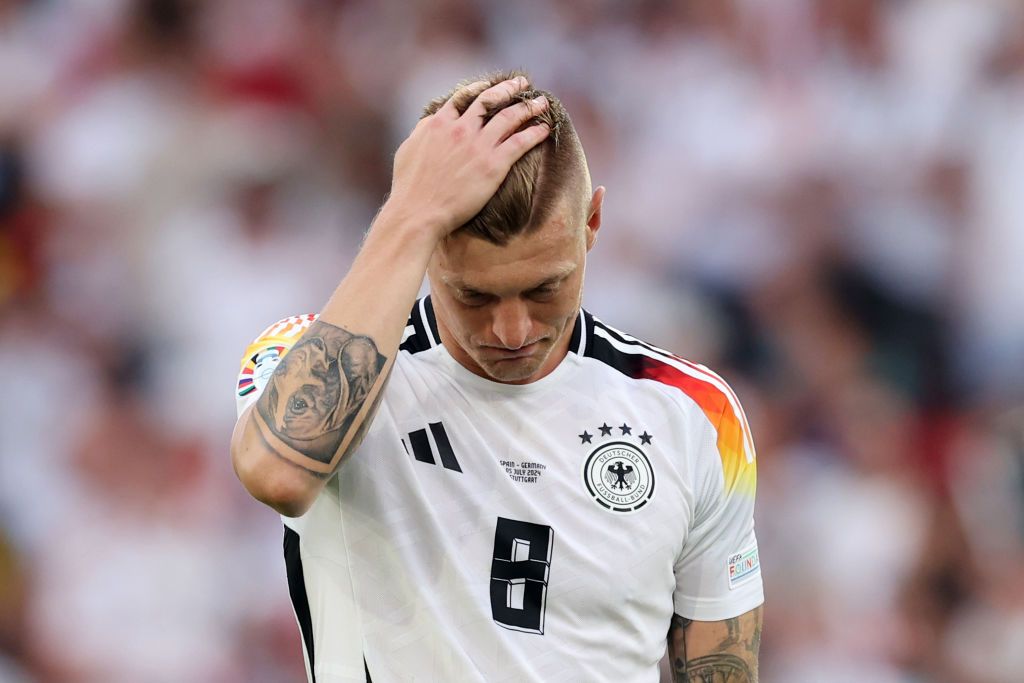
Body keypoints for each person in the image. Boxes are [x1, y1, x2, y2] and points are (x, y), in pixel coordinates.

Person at [231, 71, 764, 682]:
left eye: (544, 287)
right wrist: (410, 211)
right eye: (475, 296)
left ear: (592, 224)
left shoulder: (693, 412)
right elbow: (278, 472)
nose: (512, 331)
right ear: (426, 246)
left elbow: (722, 666)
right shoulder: (303, 357)